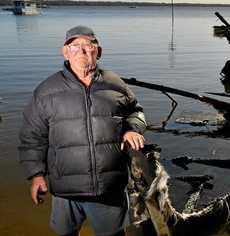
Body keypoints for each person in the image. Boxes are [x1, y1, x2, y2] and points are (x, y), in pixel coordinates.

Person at [18, 25, 147, 236]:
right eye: (75, 46)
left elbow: (137, 111)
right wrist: (36, 175)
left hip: (109, 188)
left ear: (99, 51)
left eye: (89, 45)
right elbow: (32, 137)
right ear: (65, 52)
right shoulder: (46, 91)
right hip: (66, 190)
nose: (82, 51)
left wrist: (132, 129)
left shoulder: (115, 83)